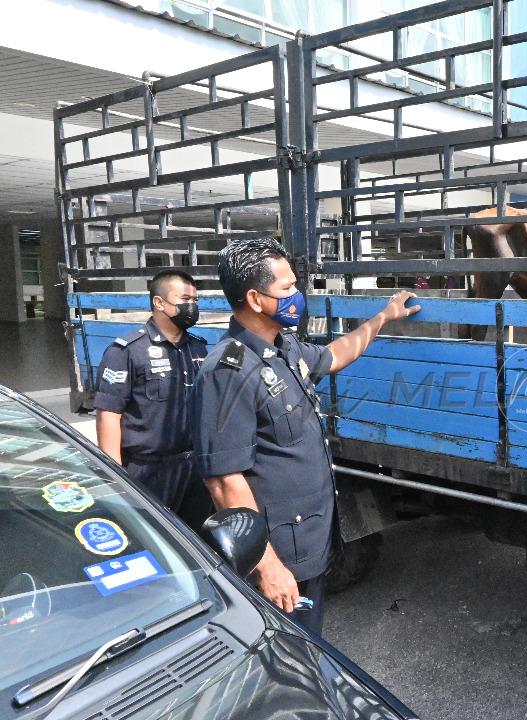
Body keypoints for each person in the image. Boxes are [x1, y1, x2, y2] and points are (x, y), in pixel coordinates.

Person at [191, 238, 419, 636]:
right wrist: (269, 567)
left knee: (307, 647)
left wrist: (383, 317)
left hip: (305, 547)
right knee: (281, 658)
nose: (297, 296)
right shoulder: (227, 372)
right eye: (286, 288)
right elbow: (225, 481)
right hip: (279, 560)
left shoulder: (283, 346)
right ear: (255, 298)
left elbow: (334, 356)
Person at [94, 270, 212, 528]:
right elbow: (109, 415)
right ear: (159, 303)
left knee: (199, 541)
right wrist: (115, 477)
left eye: (195, 300)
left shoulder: (198, 347)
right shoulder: (127, 351)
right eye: (184, 299)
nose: (191, 306)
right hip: (149, 471)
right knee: (153, 536)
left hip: (194, 469)